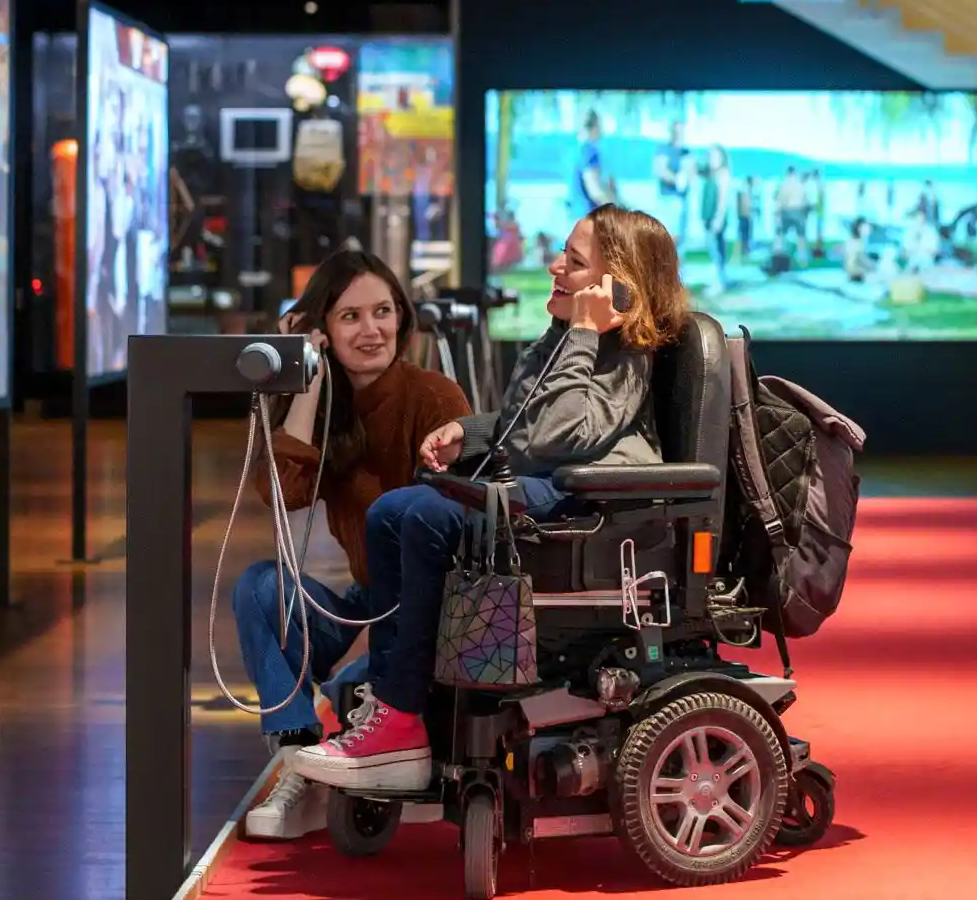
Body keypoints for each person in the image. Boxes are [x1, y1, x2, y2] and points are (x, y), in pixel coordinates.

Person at [289, 205, 685, 794]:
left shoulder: (625, 352)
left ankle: (399, 716)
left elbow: (562, 436)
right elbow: (529, 425)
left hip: (593, 508)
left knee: (422, 514)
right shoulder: (565, 340)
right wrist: (471, 434)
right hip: (551, 489)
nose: (553, 266)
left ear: (616, 286)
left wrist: (581, 331)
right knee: (394, 510)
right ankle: (399, 705)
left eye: (573, 263)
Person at [234, 251, 473, 841]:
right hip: (368, 598)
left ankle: (336, 757)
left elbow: (467, 525)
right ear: (323, 331)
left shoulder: (434, 396)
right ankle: (298, 760)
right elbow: (276, 491)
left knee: (353, 689)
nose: (372, 331)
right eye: (350, 317)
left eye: (383, 312)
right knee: (260, 588)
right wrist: (307, 388)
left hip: (431, 613)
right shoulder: (324, 406)